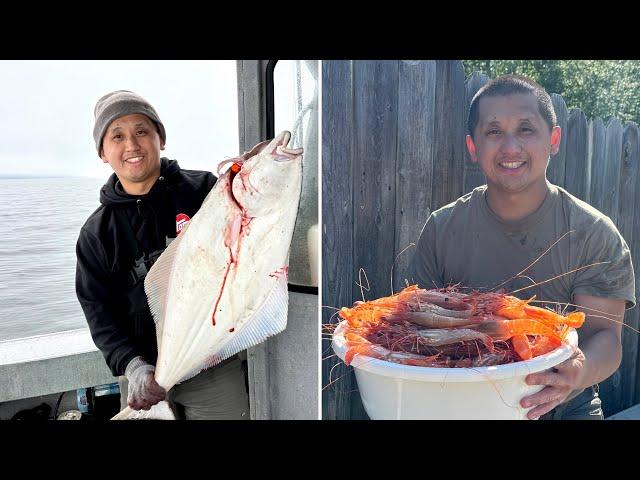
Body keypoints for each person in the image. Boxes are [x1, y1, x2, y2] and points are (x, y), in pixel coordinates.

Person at [411, 75, 636, 420]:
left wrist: (578, 370)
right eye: (494, 131)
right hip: (461, 403)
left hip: (562, 406)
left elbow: (606, 339)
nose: (511, 147)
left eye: (526, 129)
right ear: (473, 147)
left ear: (554, 139)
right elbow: (418, 326)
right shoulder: (442, 229)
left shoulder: (594, 234)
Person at [75, 90, 250, 419]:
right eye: (117, 136)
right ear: (102, 152)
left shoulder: (206, 192)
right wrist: (134, 366)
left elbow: (248, 245)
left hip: (210, 362)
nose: (132, 145)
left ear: (161, 138)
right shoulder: (96, 235)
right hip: (145, 376)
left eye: (142, 131)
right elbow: (99, 313)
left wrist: (245, 182)